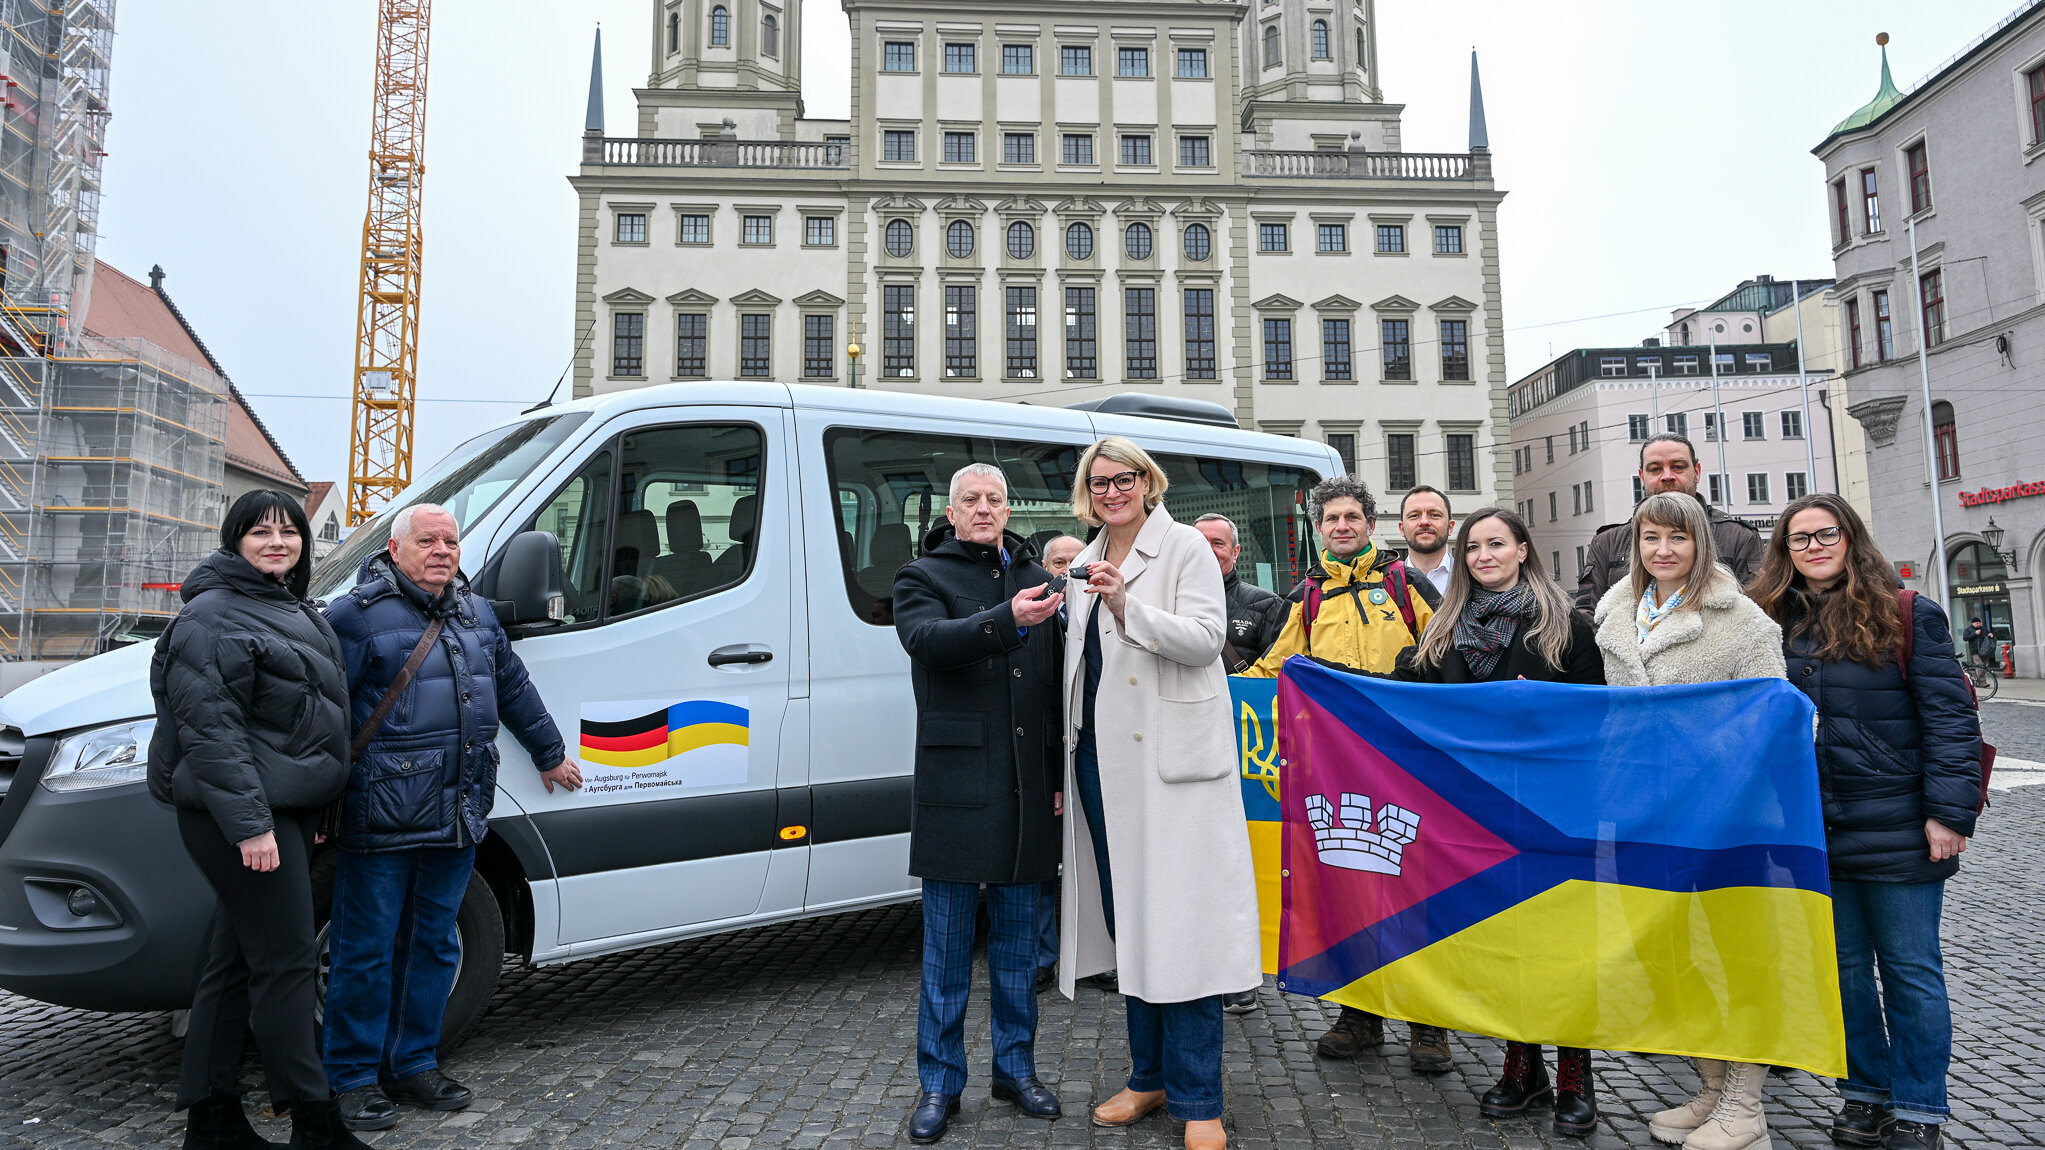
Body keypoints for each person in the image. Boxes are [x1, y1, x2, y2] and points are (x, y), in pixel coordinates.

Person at [322, 504, 579, 1131]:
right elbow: (324, 714)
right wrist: (317, 798)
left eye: (451, 541)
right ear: (395, 547)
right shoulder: (352, 618)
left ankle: (415, 1062)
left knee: (434, 946)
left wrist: (549, 753)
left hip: (459, 809)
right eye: (429, 540)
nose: (443, 550)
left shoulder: (476, 611)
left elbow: (513, 686)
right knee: (365, 950)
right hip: (380, 813)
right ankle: (352, 1079)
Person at [1750, 493, 1980, 1150]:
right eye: (1799, 539)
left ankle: (1918, 1108)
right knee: (1843, 971)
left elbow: (1950, 722)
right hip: (1812, 827)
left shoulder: (1907, 614)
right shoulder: (1771, 623)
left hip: (1899, 822)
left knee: (1909, 971)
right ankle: (1863, 1092)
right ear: (1784, 552)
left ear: (1849, 538)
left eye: (1825, 534)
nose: (1813, 547)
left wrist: (1946, 814)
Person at [146, 490, 370, 1149]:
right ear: (234, 539)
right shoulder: (213, 617)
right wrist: (251, 827)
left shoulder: (291, 608)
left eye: (289, 531)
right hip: (238, 817)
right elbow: (213, 736)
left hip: (279, 811)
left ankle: (212, 1119)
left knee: (238, 961)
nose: (277, 541)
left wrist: (315, 811)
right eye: (260, 531)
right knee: (287, 963)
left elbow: (309, 727)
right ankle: (314, 1122)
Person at [1059, 436, 1259, 1150]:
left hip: (1170, 769)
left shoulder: (1183, 548)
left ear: (1148, 482)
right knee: (1131, 930)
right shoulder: (1086, 555)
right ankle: (1148, 1078)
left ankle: (1198, 1098)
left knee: (1185, 928)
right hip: (1101, 768)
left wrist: (1124, 608)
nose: (1111, 491)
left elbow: (1206, 640)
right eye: (1098, 481)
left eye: (1123, 479)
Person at [1393, 507, 1603, 1133]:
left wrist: (1529, 708)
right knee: (1505, 939)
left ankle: (1574, 1074)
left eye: (1496, 544)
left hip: (1554, 811)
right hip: (1477, 813)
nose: (1484, 556)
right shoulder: (1445, 630)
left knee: (1562, 946)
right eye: (1474, 547)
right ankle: (1521, 1065)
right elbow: (1413, 700)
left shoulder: (1566, 625)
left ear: (1522, 549)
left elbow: (1594, 718)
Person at [1590, 492, 1786, 1150]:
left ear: (1700, 542)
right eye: (1650, 538)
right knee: (1661, 952)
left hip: (1723, 813)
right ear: (1636, 545)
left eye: (1677, 538)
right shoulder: (1614, 612)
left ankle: (1744, 1102)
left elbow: (1772, 725)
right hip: (1639, 811)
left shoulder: (1744, 623)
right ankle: (1709, 1080)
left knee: (1737, 955)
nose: (1663, 550)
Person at [1242, 476, 1445, 1072]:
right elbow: (1271, 669)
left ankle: (1429, 1022)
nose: (1341, 526)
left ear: (1369, 523)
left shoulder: (1407, 585)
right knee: (1352, 888)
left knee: (1418, 889)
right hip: (1337, 771)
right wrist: (1212, 693)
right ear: (1318, 527)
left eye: (1352, 516)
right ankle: (1360, 1015)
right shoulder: (1307, 597)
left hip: (1408, 764)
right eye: (1330, 518)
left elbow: (1445, 656)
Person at [892, 464, 1067, 1143]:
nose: (986, 508)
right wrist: (1005, 620)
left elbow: (1053, 684)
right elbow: (928, 643)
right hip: (957, 786)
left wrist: (1055, 774)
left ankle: (1014, 1071)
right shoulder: (922, 576)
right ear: (952, 510)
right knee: (944, 954)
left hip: (1027, 784)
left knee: (1019, 952)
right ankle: (939, 1083)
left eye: (995, 498)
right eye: (972, 499)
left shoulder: (1034, 576)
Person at [1575, 434, 1764, 612]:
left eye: (1678, 467)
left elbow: (1756, 613)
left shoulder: (1740, 538)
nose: (1667, 476)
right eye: (1655, 469)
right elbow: (1588, 617)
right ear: (1642, 476)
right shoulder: (1607, 543)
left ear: (1697, 472)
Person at [1034, 533, 1086, 992]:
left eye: (1076, 560)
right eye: (1057, 561)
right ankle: (1043, 955)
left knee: (1090, 854)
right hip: (1046, 751)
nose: (1066, 569)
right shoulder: (1030, 610)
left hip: (1092, 748)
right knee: (1043, 858)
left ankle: (1097, 952)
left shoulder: (1102, 608)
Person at [1193, 513, 1286, 675]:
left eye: (1217, 543)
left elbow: (1277, 674)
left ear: (1235, 553)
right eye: (1199, 543)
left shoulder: (1267, 605)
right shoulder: (1168, 601)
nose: (1207, 550)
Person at [1397, 486, 1457, 597]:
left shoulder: (1472, 579)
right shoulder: (1388, 584)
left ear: (1450, 527)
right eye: (1414, 516)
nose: (1424, 522)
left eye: (1435, 515)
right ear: (1402, 529)